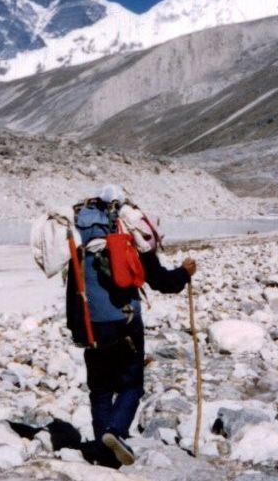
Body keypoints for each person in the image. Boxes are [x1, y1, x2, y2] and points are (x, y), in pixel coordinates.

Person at [65, 184, 196, 466]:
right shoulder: (131, 232)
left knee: (99, 390)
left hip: (92, 322)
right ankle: (115, 431)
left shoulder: (82, 235)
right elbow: (161, 281)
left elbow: (73, 284)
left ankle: (104, 453)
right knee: (131, 385)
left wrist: (76, 327)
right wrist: (184, 273)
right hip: (126, 321)